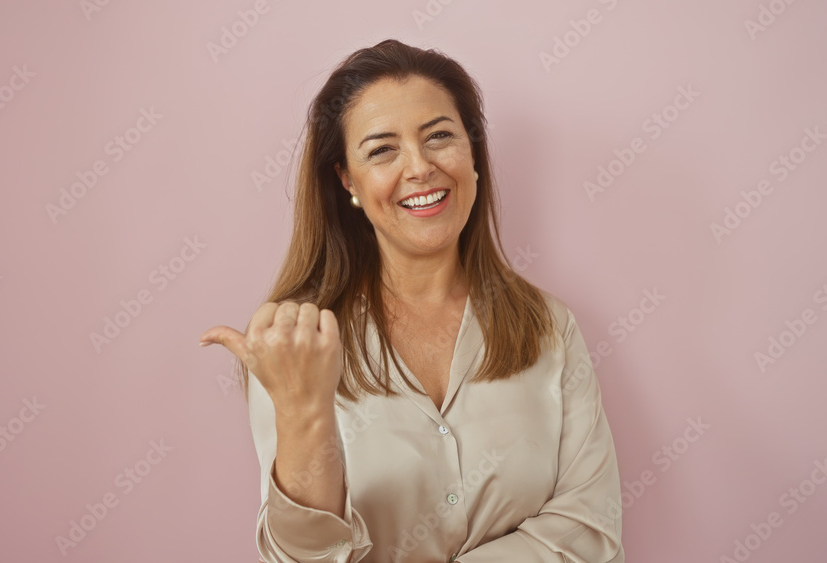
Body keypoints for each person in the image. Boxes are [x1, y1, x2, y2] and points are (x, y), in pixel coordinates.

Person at [199, 39, 624, 563]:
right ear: (347, 179)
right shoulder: (295, 343)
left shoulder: (549, 326)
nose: (420, 167)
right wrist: (303, 412)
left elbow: (591, 533)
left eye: (439, 136)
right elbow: (306, 558)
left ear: (473, 152)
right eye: (382, 149)